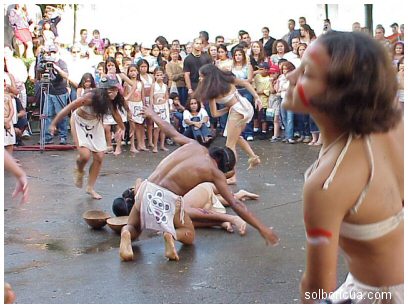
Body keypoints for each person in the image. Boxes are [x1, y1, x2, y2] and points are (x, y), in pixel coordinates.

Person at [283, 31, 403, 303]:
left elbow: (317, 288)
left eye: (306, 73)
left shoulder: (327, 182)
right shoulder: (394, 126)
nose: (289, 77)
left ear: (340, 92)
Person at [119, 104, 279, 262]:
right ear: (224, 167)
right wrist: (262, 228)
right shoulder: (215, 173)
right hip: (165, 198)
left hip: (145, 189)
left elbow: (171, 132)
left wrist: (152, 114)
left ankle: (126, 234)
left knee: (133, 227)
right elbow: (236, 204)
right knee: (189, 233)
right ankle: (172, 235)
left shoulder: (194, 145)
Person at [49, 77, 125, 200]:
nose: (114, 93)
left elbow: (116, 115)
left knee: (99, 157)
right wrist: (53, 124)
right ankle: (79, 169)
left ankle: (90, 187)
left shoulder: (111, 101)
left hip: (95, 123)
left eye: (115, 90)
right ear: (103, 90)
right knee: (85, 155)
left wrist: (122, 128)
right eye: (110, 90)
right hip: (79, 122)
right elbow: (68, 109)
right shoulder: (89, 97)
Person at [193, 64, 262, 185]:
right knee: (236, 137)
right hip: (244, 107)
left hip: (237, 111)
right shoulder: (224, 81)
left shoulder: (213, 90)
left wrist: (228, 108)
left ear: (208, 77)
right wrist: (255, 98)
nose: (200, 79)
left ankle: (232, 175)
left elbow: (214, 114)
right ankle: (253, 157)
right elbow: (245, 84)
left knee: (230, 145)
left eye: (201, 77)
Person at [113, 179, 259, 234]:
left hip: (200, 191)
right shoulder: (145, 213)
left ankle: (230, 215)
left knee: (183, 211)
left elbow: (139, 183)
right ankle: (236, 199)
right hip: (202, 204)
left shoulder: (142, 190)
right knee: (179, 221)